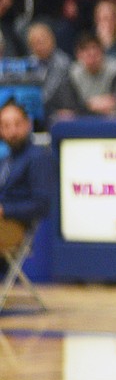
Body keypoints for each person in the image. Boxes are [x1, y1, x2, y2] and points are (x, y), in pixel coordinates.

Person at [0, 100, 53, 263]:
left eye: (17, 124)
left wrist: (5, 210)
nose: (12, 131)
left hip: (17, 226)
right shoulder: (7, 160)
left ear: (28, 124)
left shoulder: (38, 157)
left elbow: (42, 204)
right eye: (6, 126)